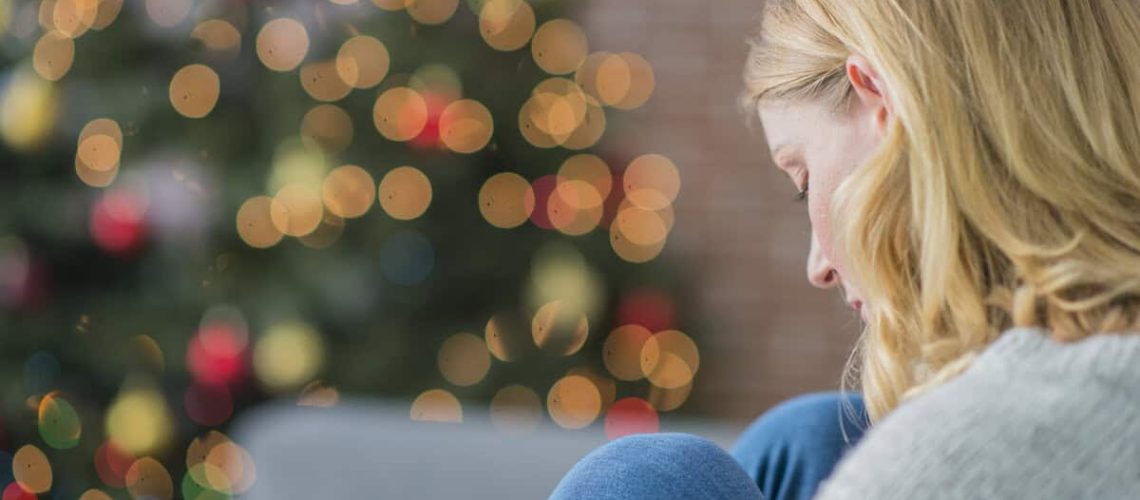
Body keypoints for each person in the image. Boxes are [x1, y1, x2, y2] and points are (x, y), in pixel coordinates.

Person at [551, 0, 1140, 498]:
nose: (819, 267)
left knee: (646, 479)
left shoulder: (951, 464)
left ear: (882, 106)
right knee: (811, 439)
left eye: (802, 181)